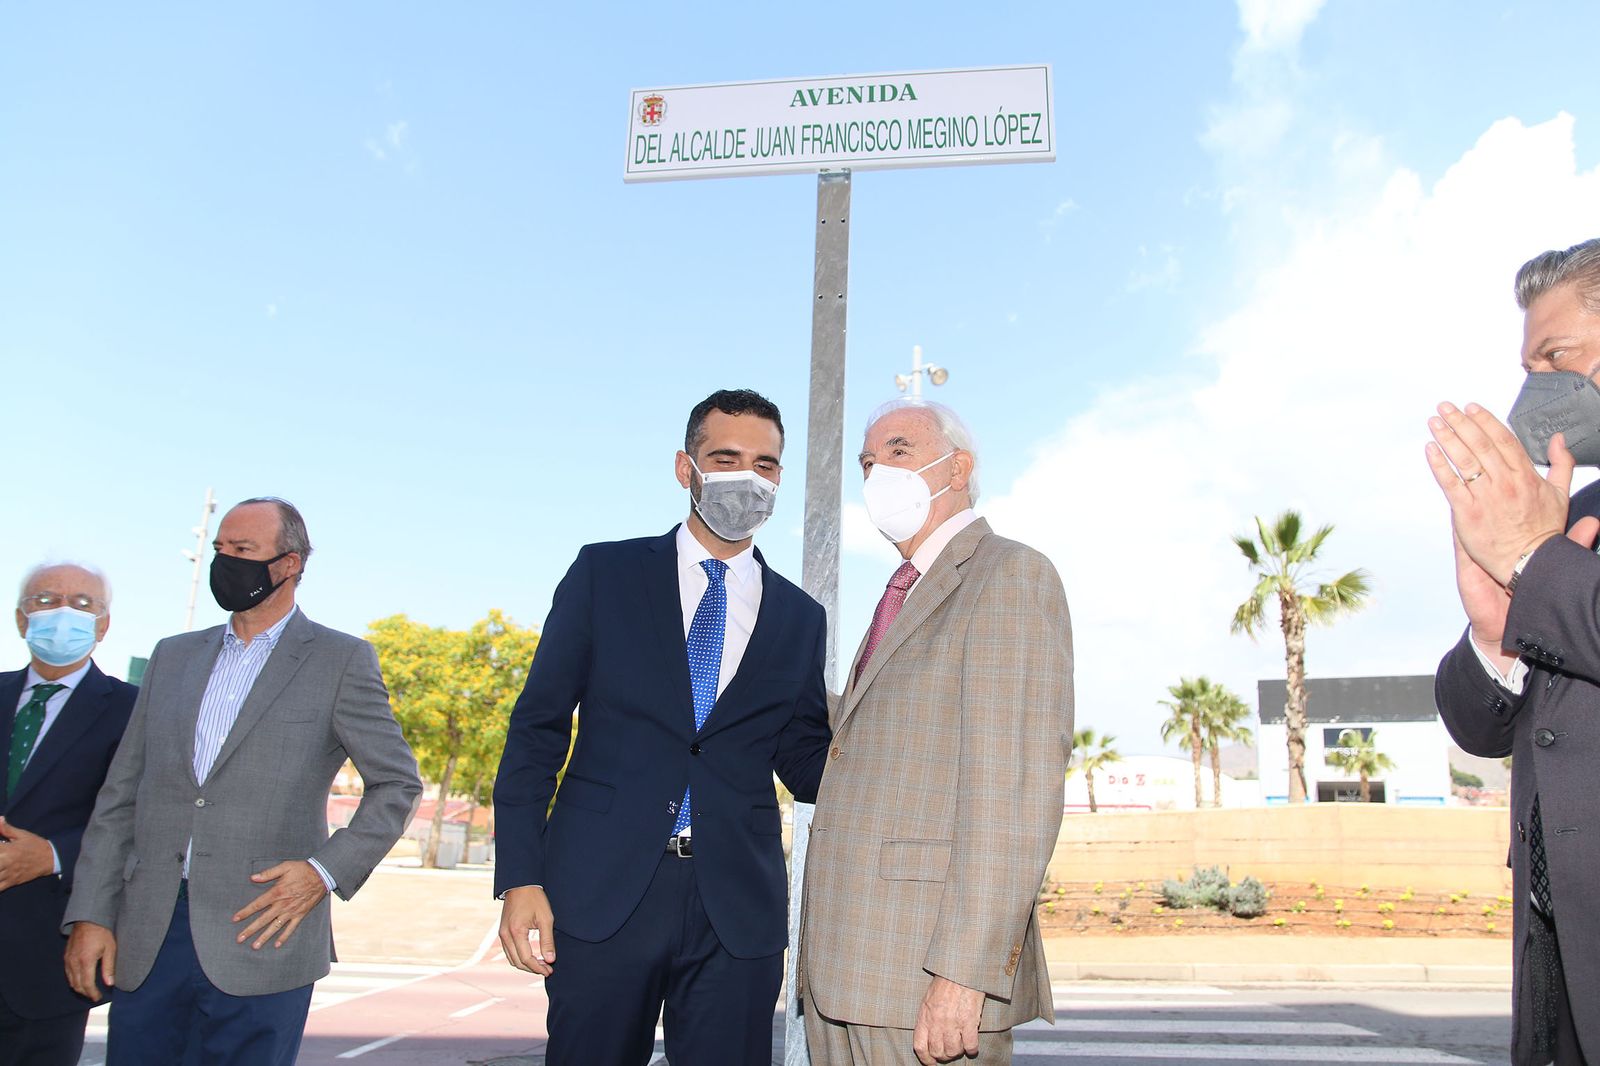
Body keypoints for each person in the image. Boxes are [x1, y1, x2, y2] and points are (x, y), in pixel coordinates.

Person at [494, 388, 831, 1066]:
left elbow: (802, 756)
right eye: (727, 457)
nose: (748, 477)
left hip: (736, 908)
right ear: (687, 468)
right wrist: (520, 876)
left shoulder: (799, 617)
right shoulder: (605, 574)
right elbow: (538, 729)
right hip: (602, 892)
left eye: (765, 464)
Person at [62, 497, 422, 1066]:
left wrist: (323, 871)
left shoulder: (341, 660)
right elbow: (120, 797)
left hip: (265, 932)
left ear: (290, 564)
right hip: (148, 935)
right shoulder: (172, 656)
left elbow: (398, 785)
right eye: (221, 549)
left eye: (244, 550)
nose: (226, 561)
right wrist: (90, 914)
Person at [801, 398, 1074, 1066]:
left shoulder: (1008, 575)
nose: (877, 474)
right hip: (846, 970)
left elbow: (1013, 798)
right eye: (867, 462)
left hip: (922, 984)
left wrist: (964, 975)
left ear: (959, 468)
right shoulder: (904, 590)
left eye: (897, 450)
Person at [1429, 238, 1600, 1066]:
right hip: (1558, 945)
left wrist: (1538, 560)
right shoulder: (1572, 510)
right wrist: (1495, 636)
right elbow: (1482, 728)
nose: (1539, 388)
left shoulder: (1546, 534)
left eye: (1556, 356)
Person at [1, 563, 137, 1066]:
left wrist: (55, 854)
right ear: (21, 620)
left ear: (103, 626)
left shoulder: (135, 711)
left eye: (82, 604)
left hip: (46, 963)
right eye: (45, 600)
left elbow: (142, 817)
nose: (62, 613)